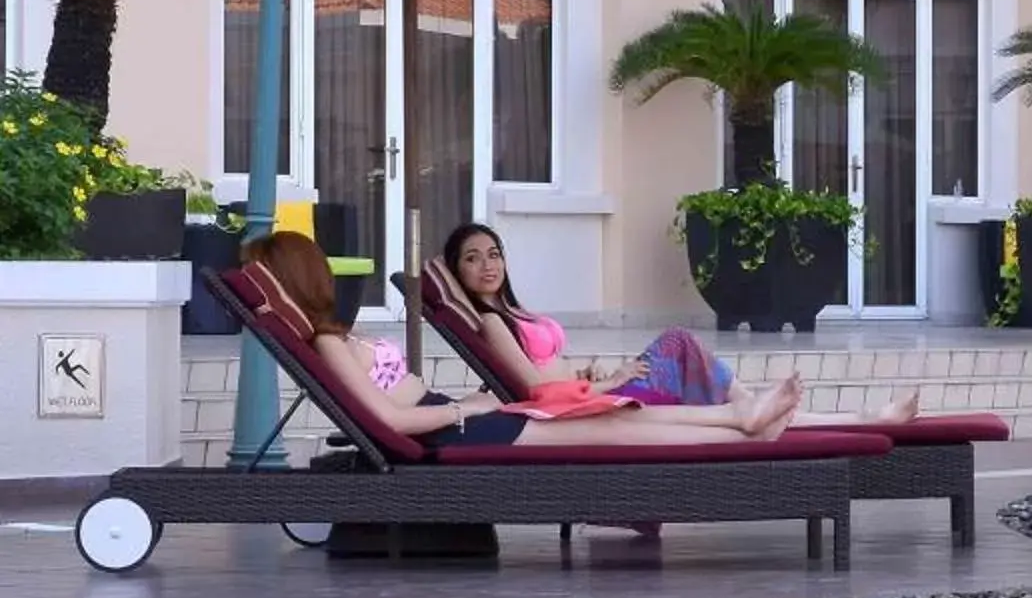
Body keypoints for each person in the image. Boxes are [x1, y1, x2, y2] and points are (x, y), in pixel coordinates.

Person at [245, 232, 802, 450]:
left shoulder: (335, 338)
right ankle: (740, 424)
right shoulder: (327, 346)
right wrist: (465, 407)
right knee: (611, 428)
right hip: (457, 427)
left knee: (613, 421)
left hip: (459, 418)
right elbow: (388, 422)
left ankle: (741, 421)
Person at [440, 223, 917, 424]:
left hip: (590, 395)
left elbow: (550, 373)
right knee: (679, 342)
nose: (488, 265)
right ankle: (831, 416)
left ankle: (843, 418)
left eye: (494, 254)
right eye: (472, 259)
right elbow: (534, 388)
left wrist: (585, 375)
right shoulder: (491, 322)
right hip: (589, 409)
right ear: (458, 272)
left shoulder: (512, 313)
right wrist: (612, 380)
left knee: (701, 368)